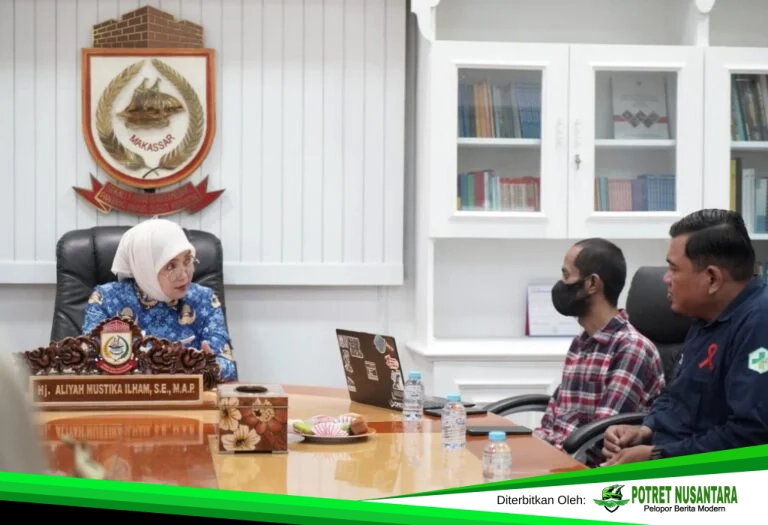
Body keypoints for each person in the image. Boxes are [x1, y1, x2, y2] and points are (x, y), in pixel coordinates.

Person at [602, 209, 768, 466]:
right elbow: (676, 395)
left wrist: (657, 455)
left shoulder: (758, 325)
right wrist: (645, 429)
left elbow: (750, 438)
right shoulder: (706, 315)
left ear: (712, 279)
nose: (666, 278)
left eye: (673, 269)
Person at [533, 238, 665, 467]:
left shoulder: (631, 348)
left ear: (592, 283)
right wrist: (528, 449)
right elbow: (554, 417)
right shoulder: (581, 343)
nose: (561, 284)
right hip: (556, 457)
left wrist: (544, 464)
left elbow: (598, 441)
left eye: (566, 275)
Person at [82, 218, 238, 382]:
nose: (184, 275)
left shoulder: (204, 299)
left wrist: (211, 366)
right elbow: (88, 363)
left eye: (187, 261)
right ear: (145, 267)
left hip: (186, 396)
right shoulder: (106, 299)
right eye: (171, 266)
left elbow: (228, 366)